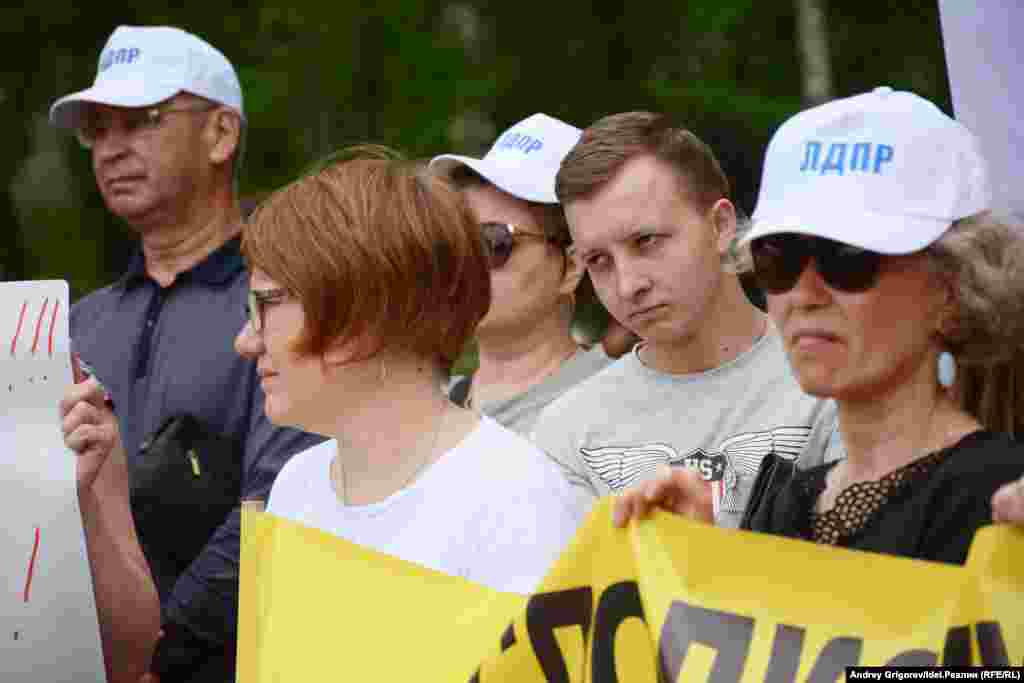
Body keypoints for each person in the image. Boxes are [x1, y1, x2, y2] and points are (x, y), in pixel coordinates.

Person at [613, 87, 1024, 566]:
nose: (804, 294)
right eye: (779, 258)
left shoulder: (1002, 505)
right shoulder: (783, 507)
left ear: (953, 289)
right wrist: (703, 564)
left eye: (848, 258)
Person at [51, 25, 322, 681]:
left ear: (221, 133)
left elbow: (281, 502)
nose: (112, 147)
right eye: (97, 129)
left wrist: (158, 654)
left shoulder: (289, 301)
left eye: (142, 120)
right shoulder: (76, 324)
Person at [232, 146, 587, 594]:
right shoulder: (297, 485)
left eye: (267, 303)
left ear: (361, 315)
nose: (246, 341)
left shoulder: (519, 500)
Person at [530, 111, 840, 528]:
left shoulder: (833, 382)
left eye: (646, 241)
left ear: (721, 225)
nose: (628, 284)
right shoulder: (567, 431)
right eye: (599, 260)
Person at [429, 114, 611, 435]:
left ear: (572, 266)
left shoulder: (619, 409)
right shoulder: (425, 412)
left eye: (493, 242)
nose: (464, 263)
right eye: (454, 241)